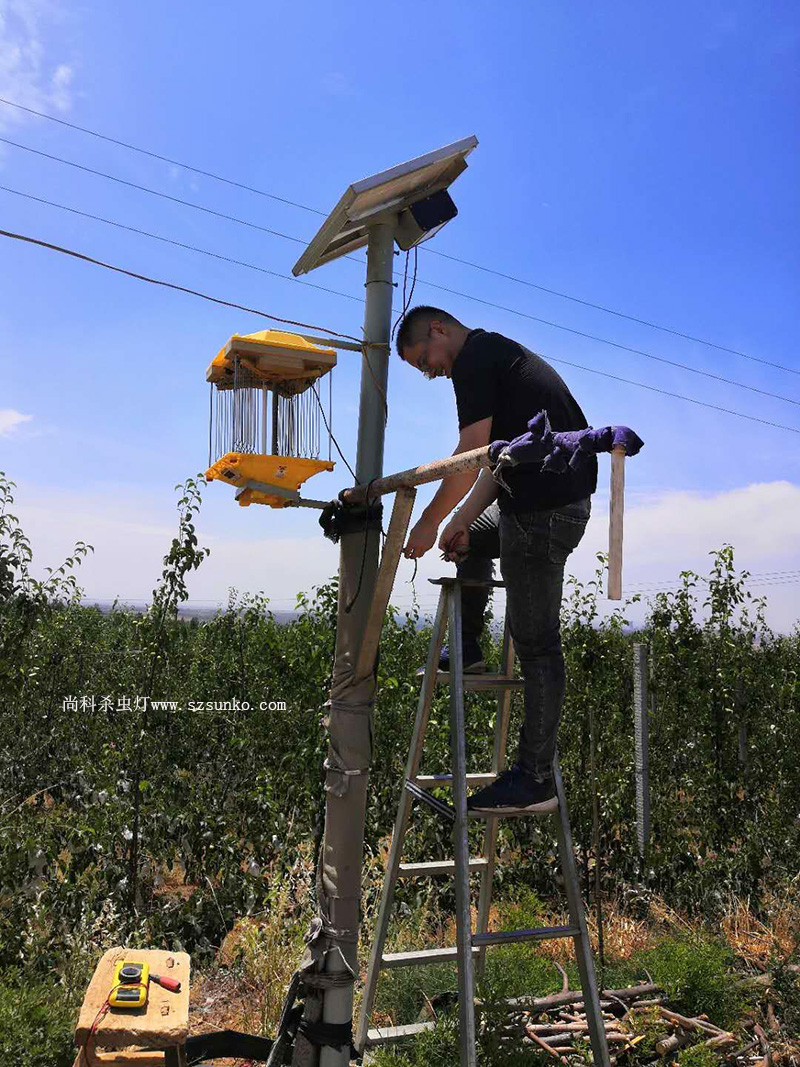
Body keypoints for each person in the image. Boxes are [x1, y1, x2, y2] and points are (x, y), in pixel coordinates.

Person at [397, 307, 596, 814]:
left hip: (543, 513)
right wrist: (459, 520)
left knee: (536, 645)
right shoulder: (495, 357)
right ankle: (468, 647)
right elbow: (492, 460)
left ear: (438, 331)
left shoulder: (475, 358)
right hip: (534, 506)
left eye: (424, 359)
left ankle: (533, 778)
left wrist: (426, 522)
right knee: (470, 539)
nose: (429, 372)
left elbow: (469, 450)